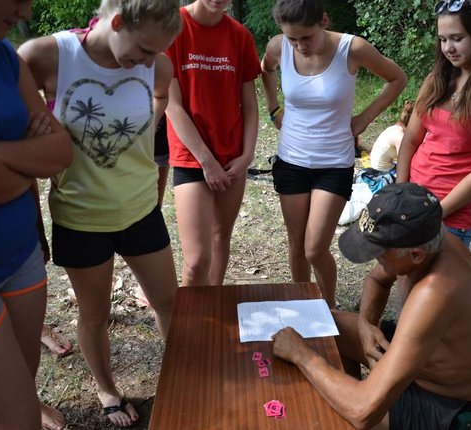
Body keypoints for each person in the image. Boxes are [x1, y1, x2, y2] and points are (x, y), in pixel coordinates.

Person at [18, 0, 181, 426]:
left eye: (156, 53)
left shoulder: (157, 67)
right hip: (81, 217)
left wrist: (151, 117)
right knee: (95, 314)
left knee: (169, 303)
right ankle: (107, 388)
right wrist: (38, 122)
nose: (147, 62)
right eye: (143, 49)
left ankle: (183, 375)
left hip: (142, 208)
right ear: (116, 22)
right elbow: (10, 107)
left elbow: (161, 91)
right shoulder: (47, 55)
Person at [272, 182, 471, 429]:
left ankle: (352, 395)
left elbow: (362, 413)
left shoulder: (434, 293)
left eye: (379, 253)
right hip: (424, 368)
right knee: (330, 324)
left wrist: (302, 356)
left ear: (415, 255)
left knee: (329, 409)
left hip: (451, 406)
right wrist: (365, 324)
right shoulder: (431, 238)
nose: (374, 259)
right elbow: (377, 280)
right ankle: (352, 389)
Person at [261, 0, 406, 307]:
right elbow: (266, 69)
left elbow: (397, 79)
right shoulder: (279, 46)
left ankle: (327, 308)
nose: (299, 45)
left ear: (323, 21)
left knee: (315, 248)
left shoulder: (351, 49)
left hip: (333, 163)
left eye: (306, 37)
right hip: (291, 160)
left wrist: (363, 119)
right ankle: (302, 305)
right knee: (297, 246)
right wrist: (274, 107)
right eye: (292, 38)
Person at [0, 1, 73, 428]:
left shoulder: (1, 54)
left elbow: (61, 152)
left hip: (20, 258)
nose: (26, 9)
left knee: (22, 382)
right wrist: (28, 159)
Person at [396, 0, 471, 248]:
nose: (448, 48)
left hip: (450, 215)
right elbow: (411, 139)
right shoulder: (436, 80)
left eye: (456, 38)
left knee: (432, 286)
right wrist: (400, 192)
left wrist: (434, 213)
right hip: (412, 201)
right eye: (442, 39)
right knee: (403, 283)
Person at [165, 0, 261, 287]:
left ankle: (213, 311)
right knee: (196, 261)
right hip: (192, 156)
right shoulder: (174, 28)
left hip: (232, 158)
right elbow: (172, 105)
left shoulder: (239, 35)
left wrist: (247, 155)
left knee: (221, 238)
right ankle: (191, 325)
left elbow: (250, 105)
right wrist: (206, 161)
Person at [369, 101, 413, 172]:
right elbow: (404, 163)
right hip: (381, 172)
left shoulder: (395, 128)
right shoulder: (399, 136)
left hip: (383, 165)